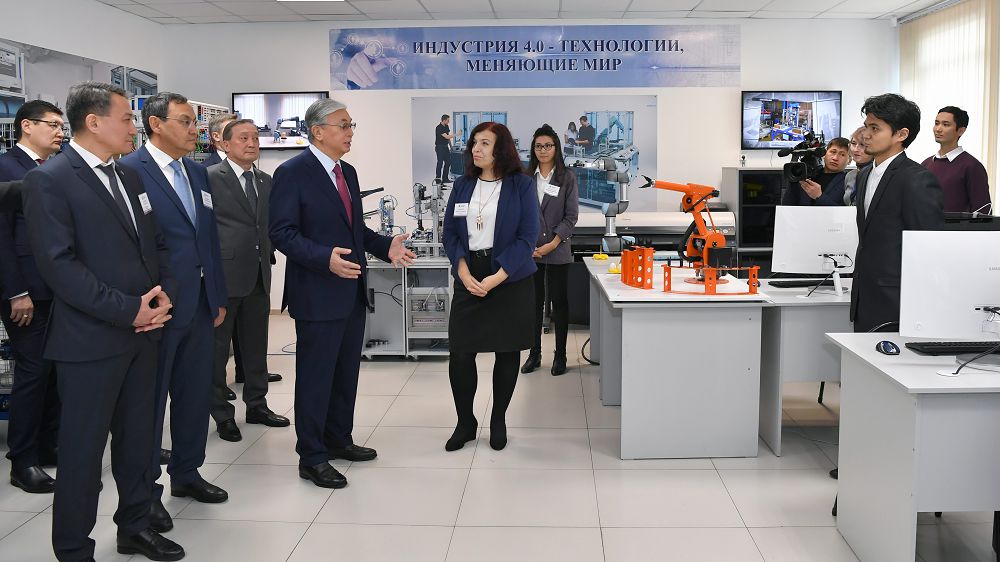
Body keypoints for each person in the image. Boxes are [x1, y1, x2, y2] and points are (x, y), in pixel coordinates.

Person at [23, 81, 182, 561]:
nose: (135, 127)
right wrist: (127, 309)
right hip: (89, 343)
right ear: (94, 122)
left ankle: (135, 527)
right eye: (127, 118)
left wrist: (162, 298)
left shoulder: (129, 176)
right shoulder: (51, 180)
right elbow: (60, 267)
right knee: (83, 454)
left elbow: (156, 245)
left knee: (138, 443)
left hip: (144, 336)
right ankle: (74, 548)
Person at [269, 98, 415, 489]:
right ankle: (312, 456)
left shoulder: (346, 172)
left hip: (351, 291)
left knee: (345, 373)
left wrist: (386, 246)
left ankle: (338, 439)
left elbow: (355, 231)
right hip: (317, 293)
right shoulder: (291, 173)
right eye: (344, 125)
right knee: (316, 377)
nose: (351, 132)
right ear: (318, 131)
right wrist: (324, 259)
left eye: (352, 125)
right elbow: (282, 233)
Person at [120, 92, 230, 531]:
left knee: (194, 392)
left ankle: (187, 471)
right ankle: (146, 492)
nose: (194, 130)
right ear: (155, 124)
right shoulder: (131, 171)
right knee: (150, 402)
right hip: (159, 307)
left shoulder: (198, 172)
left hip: (200, 304)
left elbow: (208, 239)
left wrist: (216, 295)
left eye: (194, 122)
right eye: (185, 121)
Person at [442, 121, 539, 452]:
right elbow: (450, 233)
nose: (476, 149)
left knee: (507, 350)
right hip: (469, 273)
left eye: (484, 143)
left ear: (502, 148)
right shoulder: (462, 185)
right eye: (474, 143)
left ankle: (498, 420)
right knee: (461, 352)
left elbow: (527, 237)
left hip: (509, 276)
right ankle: (465, 423)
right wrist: (462, 269)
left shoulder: (521, 185)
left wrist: (498, 277)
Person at [207, 119, 288, 442]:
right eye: (243, 138)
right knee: (217, 353)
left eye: (255, 137)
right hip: (224, 277)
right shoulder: (210, 178)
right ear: (225, 144)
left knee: (255, 348)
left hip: (258, 274)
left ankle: (257, 405)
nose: (252, 143)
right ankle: (222, 414)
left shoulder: (265, 181)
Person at [0, 100, 64, 494]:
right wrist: (16, 292)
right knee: (33, 370)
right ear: (26, 125)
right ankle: (22, 461)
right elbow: (2, 238)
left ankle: (47, 444)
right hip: (25, 292)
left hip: (56, 289)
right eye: (52, 124)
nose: (60, 132)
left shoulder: (52, 170)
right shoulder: (7, 169)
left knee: (54, 370)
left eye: (61, 125)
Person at [851, 93, 944, 333]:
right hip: (865, 297)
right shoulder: (864, 175)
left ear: (901, 134)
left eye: (875, 128)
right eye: (866, 126)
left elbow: (928, 249)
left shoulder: (916, 179)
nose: (865, 135)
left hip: (898, 302)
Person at [520, 124, 579, 377]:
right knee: (533, 303)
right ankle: (534, 354)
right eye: (538, 146)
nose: (543, 150)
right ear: (533, 149)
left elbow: (571, 216)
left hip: (557, 248)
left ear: (556, 148)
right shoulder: (525, 177)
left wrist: (553, 243)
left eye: (548, 146)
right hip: (531, 251)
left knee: (559, 303)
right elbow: (520, 214)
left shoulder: (567, 177)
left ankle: (561, 355)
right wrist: (528, 246)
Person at [921, 106, 991, 213]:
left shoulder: (972, 166)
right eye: (936, 123)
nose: (938, 129)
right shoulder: (925, 164)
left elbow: (982, 210)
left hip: (956, 225)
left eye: (946, 124)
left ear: (961, 131)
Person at [780, 137, 850, 206]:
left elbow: (846, 212)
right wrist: (793, 181)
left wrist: (819, 197)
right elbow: (787, 206)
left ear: (849, 160)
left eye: (842, 154)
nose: (835, 158)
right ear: (824, 154)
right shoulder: (807, 175)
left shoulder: (849, 182)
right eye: (833, 152)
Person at [843, 126, 873, 206]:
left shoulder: (877, 174)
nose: (856, 149)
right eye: (853, 143)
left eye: (862, 145)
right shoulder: (850, 175)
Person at [434, 114, 455, 185]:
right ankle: (438, 180)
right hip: (439, 147)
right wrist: (457, 134)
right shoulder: (438, 128)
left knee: (448, 162)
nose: (448, 122)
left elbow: (448, 138)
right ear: (444, 120)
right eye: (448, 120)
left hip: (445, 147)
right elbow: (447, 137)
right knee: (440, 163)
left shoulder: (446, 126)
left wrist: (451, 147)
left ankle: (445, 178)